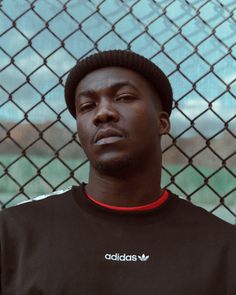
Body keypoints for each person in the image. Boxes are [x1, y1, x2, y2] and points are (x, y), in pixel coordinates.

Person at [0, 50, 235, 295]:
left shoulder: (224, 248)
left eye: (124, 97)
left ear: (162, 122)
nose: (103, 114)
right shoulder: (14, 232)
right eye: (87, 106)